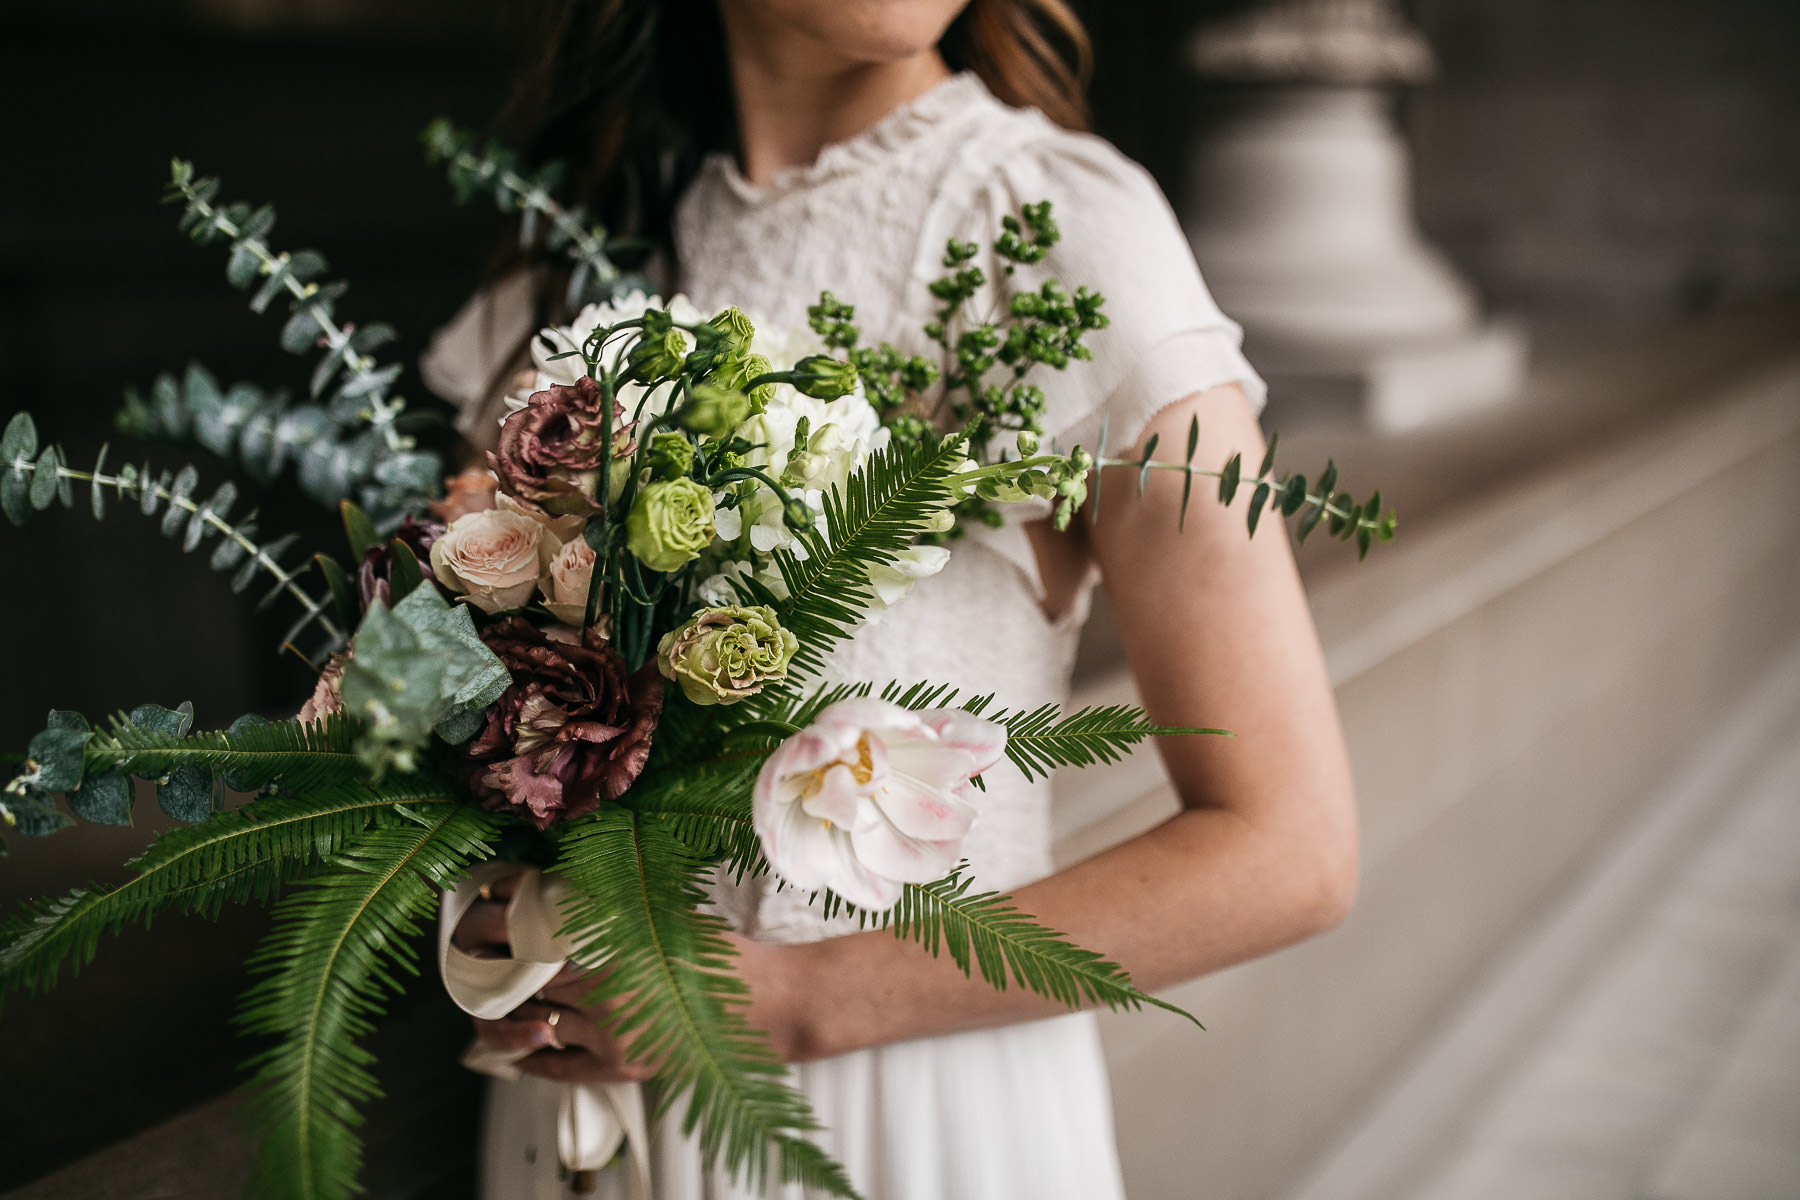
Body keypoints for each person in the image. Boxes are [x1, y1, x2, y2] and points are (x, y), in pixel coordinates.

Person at [428, 2, 1359, 1196]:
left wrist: (797, 999)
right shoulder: (589, 249)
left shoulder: (1051, 227)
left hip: (897, 1122)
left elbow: (1289, 849)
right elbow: (451, 704)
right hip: (582, 1122)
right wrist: (482, 884)